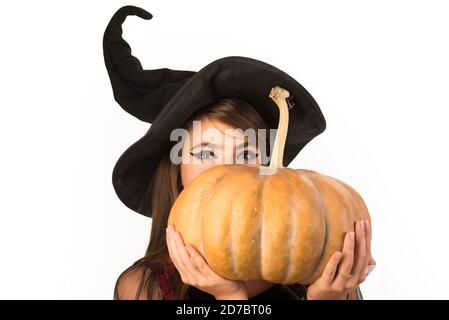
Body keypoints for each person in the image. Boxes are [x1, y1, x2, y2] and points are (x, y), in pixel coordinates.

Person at [103, 6, 375, 300]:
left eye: (246, 154)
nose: (229, 169)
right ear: (177, 170)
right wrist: (231, 299)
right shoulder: (147, 287)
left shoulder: (318, 274)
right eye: (206, 153)